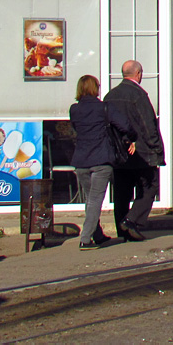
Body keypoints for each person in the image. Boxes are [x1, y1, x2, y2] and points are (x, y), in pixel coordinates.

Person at [69, 74, 134, 251]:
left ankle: (97, 235)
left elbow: (76, 128)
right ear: (95, 88)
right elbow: (125, 125)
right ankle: (85, 238)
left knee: (90, 200)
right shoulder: (104, 108)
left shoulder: (74, 109)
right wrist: (130, 138)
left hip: (81, 161)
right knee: (95, 200)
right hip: (101, 159)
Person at [104, 60, 164, 242]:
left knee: (122, 192)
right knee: (149, 186)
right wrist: (156, 147)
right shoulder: (138, 96)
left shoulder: (109, 96)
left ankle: (123, 230)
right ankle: (131, 221)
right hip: (141, 152)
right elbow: (148, 125)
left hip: (118, 153)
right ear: (138, 74)